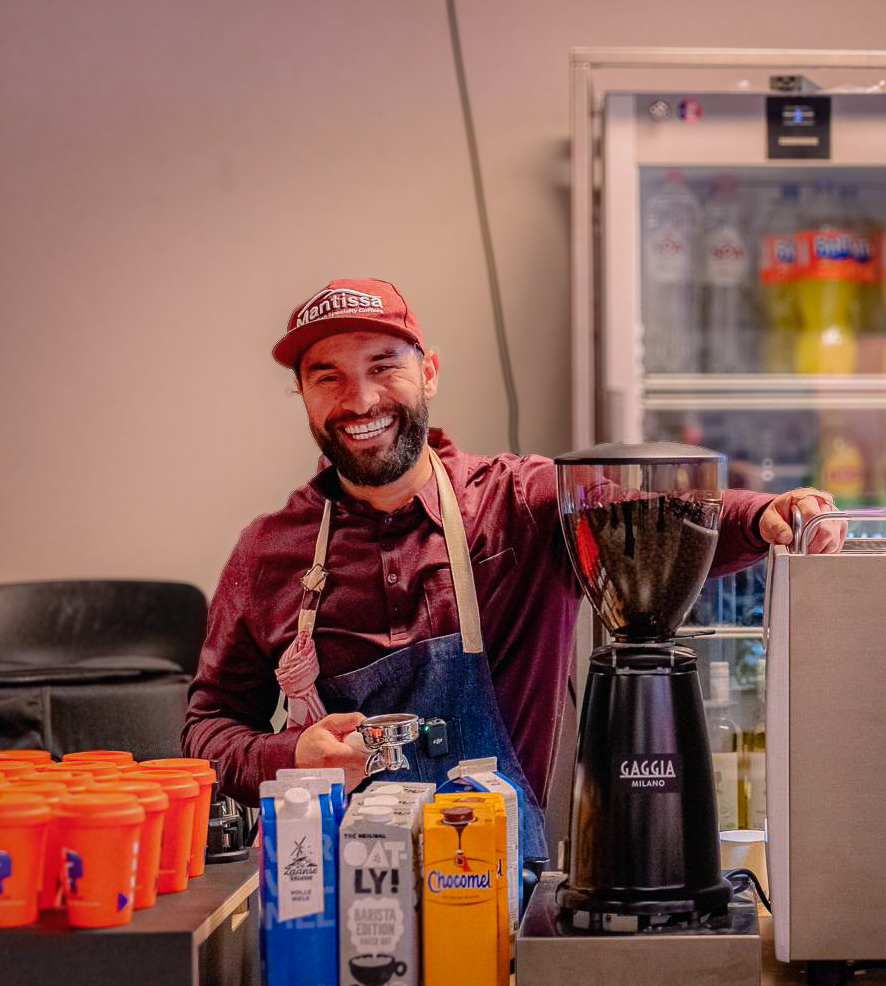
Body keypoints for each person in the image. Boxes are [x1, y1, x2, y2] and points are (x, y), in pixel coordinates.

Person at [181, 278, 844, 858]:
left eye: (384, 366)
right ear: (301, 393)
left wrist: (767, 513)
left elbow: (656, 519)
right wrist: (290, 754)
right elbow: (206, 730)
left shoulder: (518, 503)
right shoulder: (269, 554)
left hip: (506, 905)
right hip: (339, 910)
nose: (359, 400)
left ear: (429, 372)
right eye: (328, 376)